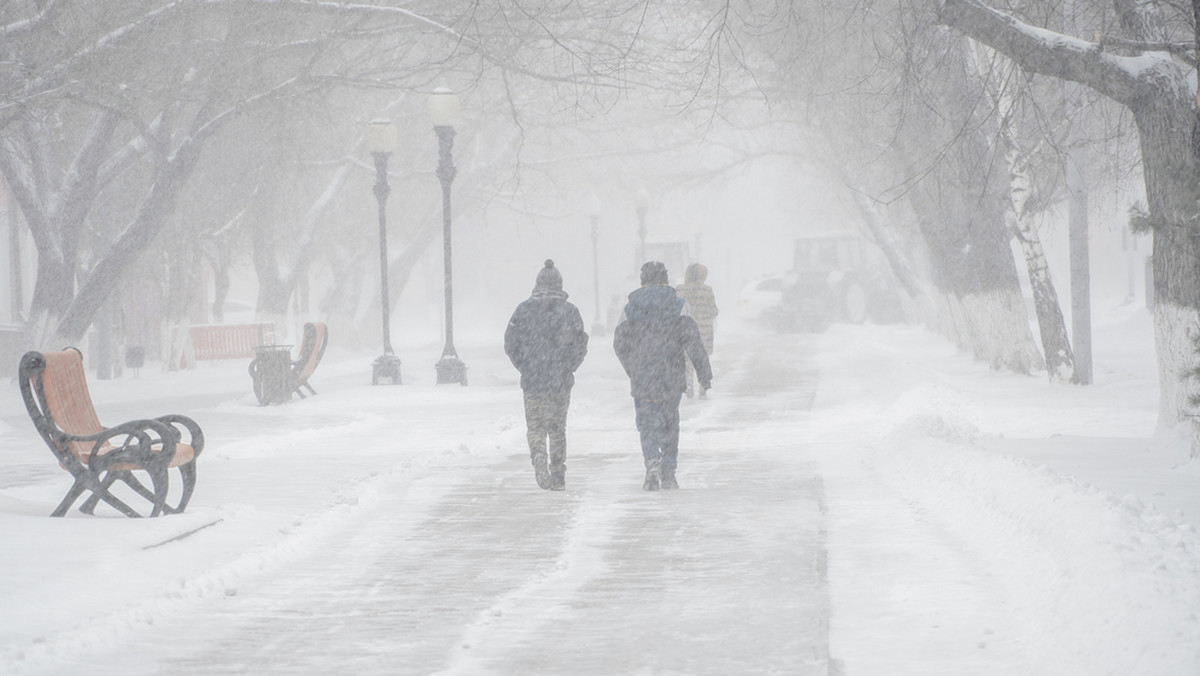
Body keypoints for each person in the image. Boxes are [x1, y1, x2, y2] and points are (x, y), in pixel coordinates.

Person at [613, 261, 713, 491]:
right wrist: (704, 374)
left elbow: (619, 343)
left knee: (646, 423)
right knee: (670, 423)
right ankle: (669, 472)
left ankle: (651, 461)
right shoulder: (679, 305)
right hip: (671, 374)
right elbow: (693, 342)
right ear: (666, 280)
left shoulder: (630, 308)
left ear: (642, 280)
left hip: (643, 377)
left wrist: (633, 366)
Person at [504, 260, 589, 491]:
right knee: (557, 427)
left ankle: (539, 454)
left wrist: (525, 365)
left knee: (535, 427)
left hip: (533, 380)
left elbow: (510, 343)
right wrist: (569, 366)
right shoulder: (570, 312)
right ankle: (558, 472)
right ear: (560, 285)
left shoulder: (523, 310)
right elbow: (581, 343)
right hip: (560, 380)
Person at [674, 262, 718, 398]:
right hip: (703, 331)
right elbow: (713, 311)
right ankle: (703, 387)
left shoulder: (679, 290)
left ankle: (688, 386)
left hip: (684, 330)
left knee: (686, 360)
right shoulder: (707, 290)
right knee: (702, 359)